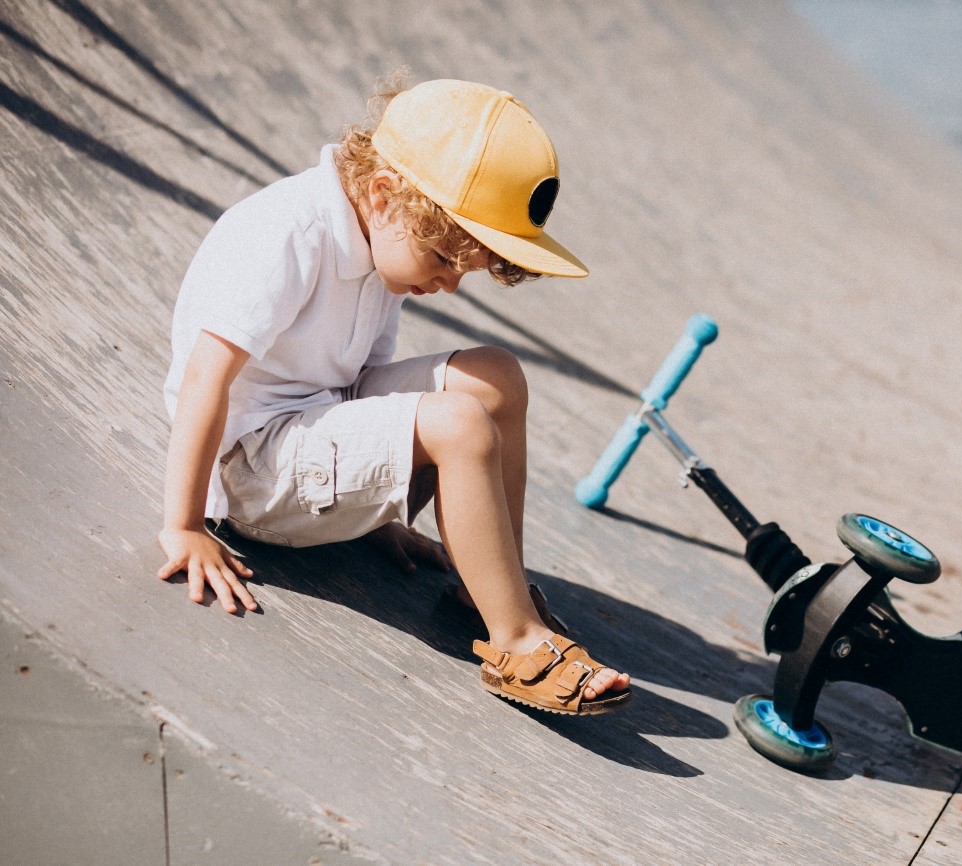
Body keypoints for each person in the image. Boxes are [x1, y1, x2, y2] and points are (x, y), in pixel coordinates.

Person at [157, 77, 630, 715]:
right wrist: (184, 526)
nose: (451, 283)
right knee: (458, 424)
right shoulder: (288, 233)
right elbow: (203, 378)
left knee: (496, 375)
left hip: (312, 431)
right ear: (384, 195)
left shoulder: (379, 240)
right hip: (248, 469)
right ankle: (517, 641)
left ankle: (490, 585)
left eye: (465, 268)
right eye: (443, 256)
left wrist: (376, 513)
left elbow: (360, 390)